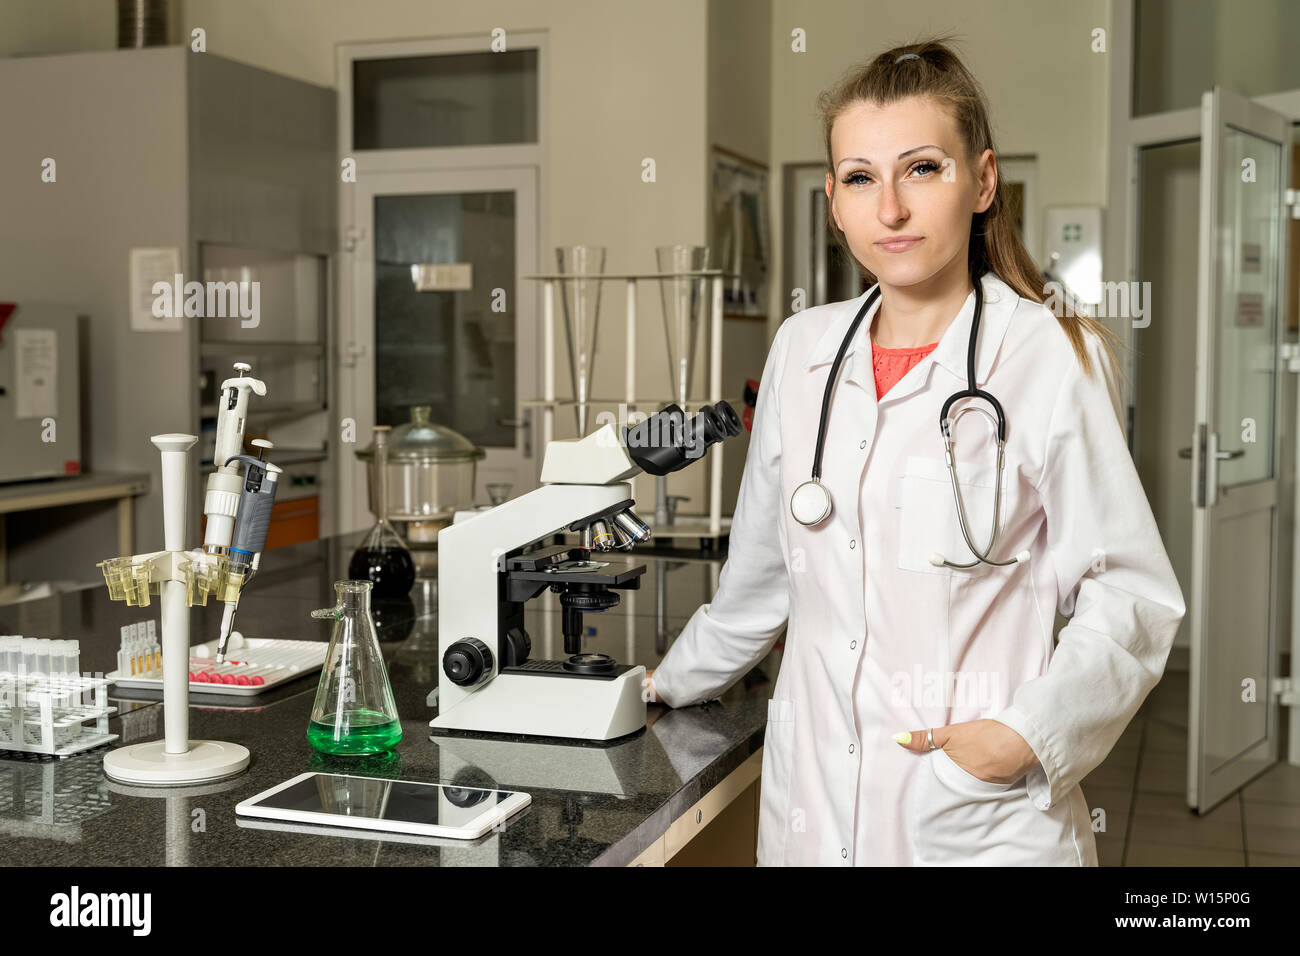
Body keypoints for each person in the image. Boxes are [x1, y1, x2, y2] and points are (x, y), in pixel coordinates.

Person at [643, 38, 1185, 866]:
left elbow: (1130, 594)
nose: (889, 208)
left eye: (922, 168)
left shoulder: (1046, 356)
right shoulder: (803, 350)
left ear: (984, 180)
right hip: (813, 807)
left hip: (975, 818)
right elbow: (761, 581)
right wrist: (660, 686)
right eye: (860, 178)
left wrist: (1023, 736)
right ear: (833, 200)